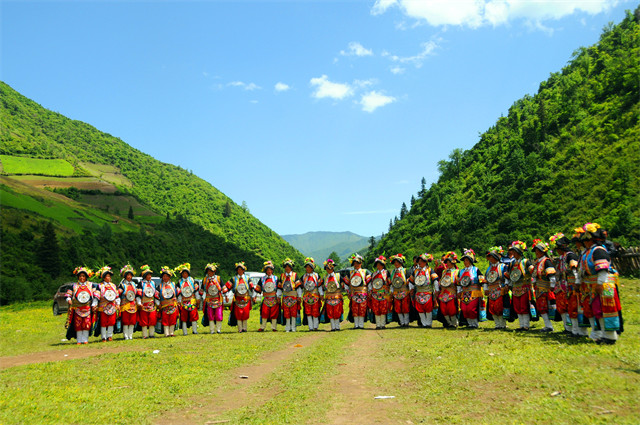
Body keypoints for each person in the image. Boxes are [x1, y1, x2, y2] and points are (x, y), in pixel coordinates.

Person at [579, 223, 623, 344]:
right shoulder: (589, 252)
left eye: (586, 240)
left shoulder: (598, 250)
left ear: (592, 240)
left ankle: (611, 336)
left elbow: (603, 269)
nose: (585, 242)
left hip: (604, 284)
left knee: (607, 310)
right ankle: (604, 334)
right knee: (598, 310)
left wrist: (599, 283)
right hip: (595, 285)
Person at [549, 233, 578, 334]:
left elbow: (574, 269)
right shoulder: (561, 258)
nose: (557, 250)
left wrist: (576, 281)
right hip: (561, 285)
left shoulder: (570, 256)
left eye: (557, 248)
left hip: (570, 285)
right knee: (562, 306)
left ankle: (575, 329)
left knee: (572, 306)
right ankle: (567, 328)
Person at [505, 241, 535, 331]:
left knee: (524, 306)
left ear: (519, 252)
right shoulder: (512, 263)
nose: (513, 253)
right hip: (515, 288)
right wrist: (507, 284)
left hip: (524, 287)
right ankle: (521, 325)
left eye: (515, 251)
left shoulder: (526, 262)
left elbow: (533, 271)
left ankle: (526, 325)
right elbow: (508, 275)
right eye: (512, 251)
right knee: (517, 306)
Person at [531, 239, 557, 332]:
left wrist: (552, 285)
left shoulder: (546, 261)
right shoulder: (537, 262)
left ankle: (550, 326)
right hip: (539, 288)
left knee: (546, 307)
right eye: (536, 251)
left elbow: (551, 275)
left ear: (543, 252)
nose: (537, 253)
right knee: (541, 307)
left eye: (538, 251)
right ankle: (548, 325)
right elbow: (535, 274)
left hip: (546, 288)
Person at [65, 267, 96, 344]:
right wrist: (68, 300)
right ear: (78, 277)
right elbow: (68, 294)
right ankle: (79, 340)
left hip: (87, 307)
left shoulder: (91, 285)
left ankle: (85, 340)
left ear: (86, 277)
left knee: (87, 324)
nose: (82, 278)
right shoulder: (74, 286)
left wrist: (94, 304)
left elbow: (96, 295)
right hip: (77, 308)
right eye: (80, 276)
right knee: (78, 324)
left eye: (83, 276)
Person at [457, 249, 485, 329]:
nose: (465, 262)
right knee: (464, 309)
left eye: (467, 260)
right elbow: (458, 282)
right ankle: (469, 323)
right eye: (464, 261)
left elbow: (481, 279)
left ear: (470, 261)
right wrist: (459, 291)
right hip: (464, 292)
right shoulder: (461, 271)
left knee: (471, 308)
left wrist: (483, 286)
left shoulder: (476, 270)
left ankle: (474, 324)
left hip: (474, 292)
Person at [409, 253, 439, 328]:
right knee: (420, 309)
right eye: (419, 261)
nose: (420, 263)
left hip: (428, 291)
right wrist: (411, 289)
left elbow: (435, 279)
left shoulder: (429, 270)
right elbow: (411, 281)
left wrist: (437, 289)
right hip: (418, 292)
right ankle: (424, 323)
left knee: (428, 308)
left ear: (426, 262)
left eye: (421, 261)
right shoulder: (416, 271)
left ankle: (428, 323)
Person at [224, 262, 255, 333]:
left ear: (244, 270)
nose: (240, 271)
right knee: (238, 314)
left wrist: (254, 295)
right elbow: (227, 287)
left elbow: (252, 287)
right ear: (237, 271)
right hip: (237, 299)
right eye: (238, 269)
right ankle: (240, 328)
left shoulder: (247, 278)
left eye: (241, 269)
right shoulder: (234, 279)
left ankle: (245, 328)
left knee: (245, 313)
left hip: (246, 299)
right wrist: (226, 295)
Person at [484, 247, 508, 330]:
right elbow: (486, 280)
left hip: (500, 289)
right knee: (492, 307)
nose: (490, 259)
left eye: (492, 257)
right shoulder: (488, 269)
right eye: (490, 257)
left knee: (499, 307)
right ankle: (497, 324)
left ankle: (502, 324)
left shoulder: (503, 267)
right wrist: (485, 289)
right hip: (491, 290)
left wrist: (506, 285)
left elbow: (507, 277)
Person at [94, 266, 120, 342]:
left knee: (111, 321)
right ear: (103, 277)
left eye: (109, 276)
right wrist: (94, 304)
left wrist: (118, 304)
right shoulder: (100, 286)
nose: (108, 278)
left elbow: (117, 296)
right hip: (103, 307)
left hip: (112, 306)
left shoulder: (113, 286)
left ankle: (109, 336)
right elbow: (96, 296)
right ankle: (103, 337)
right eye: (107, 276)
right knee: (103, 322)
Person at [346, 253, 371, 329]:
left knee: (362, 309)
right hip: (354, 293)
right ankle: (356, 325)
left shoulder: (365, 272)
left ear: (361, 263)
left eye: (358, 263)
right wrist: (348, 292)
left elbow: (369, 283)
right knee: (355, 309)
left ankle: (361, 324)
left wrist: (369, 291)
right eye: (355, 263)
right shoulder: (350, 273)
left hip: (363, 293)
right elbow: (347, 283)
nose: (356, 265)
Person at [255, 261, 279, 332]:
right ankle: (262, 327)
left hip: (274, 298)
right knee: (264, 312)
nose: (269, 271)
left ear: (272, 270)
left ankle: (274, 327)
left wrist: (279, 296)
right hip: (266, 299)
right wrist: (254, 296)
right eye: (268, 270)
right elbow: (258, 288)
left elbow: (279, 288)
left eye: (270, 270)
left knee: (274, 313)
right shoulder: (262, 279)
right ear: (265, 271)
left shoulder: (276, 278)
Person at [321, 258, 344, 331]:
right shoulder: (325, 277)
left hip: (337, 296)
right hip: (328, 297)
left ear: (333, 268)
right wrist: (322, 294)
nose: (328, 270)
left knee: (337, 311)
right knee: (330, 312)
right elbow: (322, 287)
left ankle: (337, 326)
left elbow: (344, 283)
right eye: (327, 268)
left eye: (330, 268)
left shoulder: (338, 276)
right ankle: (333, 327)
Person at [176, 263, 199, 336]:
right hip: (183, 301)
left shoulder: (192, 280)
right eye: (183, 273)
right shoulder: (179, 282)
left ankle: (194, 330)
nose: (185, 275)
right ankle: (185, 332)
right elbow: (179, 293)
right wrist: (179, 301)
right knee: (184, 317)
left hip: (192, 300)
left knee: (193, 316)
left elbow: (196, 290)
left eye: (186, 273)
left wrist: (198, 299)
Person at [437, 252, 459, 329]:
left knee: (451, 308)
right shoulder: (444, 271)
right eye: (447, 262)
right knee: (443, 309)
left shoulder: (457, 271)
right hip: (443, 292)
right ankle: (449, 323)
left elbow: (458, 282)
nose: (448, 264)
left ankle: (454, 323)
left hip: (451, 292)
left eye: (450, 262)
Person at [201, 263, 224, 334]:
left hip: (218, 299)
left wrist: (225, 295)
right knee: (210, 315)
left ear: (214, 271)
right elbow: (202, 290)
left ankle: (218, 329)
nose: (209, 272)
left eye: (211, 271)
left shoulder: (218, 279)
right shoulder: (205, 280)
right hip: (209, 300)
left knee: (218, 314)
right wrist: (201, 297)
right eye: (208, 271)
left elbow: (223, 288)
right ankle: (212, 330)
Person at [299, 258, 322, 331]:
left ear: (312, 268)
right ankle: (310, 327)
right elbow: (301, 287)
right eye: (306, 267)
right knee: (308, 312)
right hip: (306, 297)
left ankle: (315, 326)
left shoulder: (316, 276)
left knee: (315, 311)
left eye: (309, 267)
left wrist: (321, 294)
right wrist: (299, 296)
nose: (307, 269)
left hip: (315, 296)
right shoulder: (303, 277)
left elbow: (319, 286)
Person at [278, 258, 301, 332]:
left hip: (293, 296)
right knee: (286, 312)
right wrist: (278, 296)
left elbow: (298, 287)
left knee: (293, 312)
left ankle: (293, 327)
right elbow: (279, 288)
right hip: (285, 296)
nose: (287, 268)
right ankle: (287, 327)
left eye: (288, 267)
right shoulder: (282, 276)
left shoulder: (295, 275)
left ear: (291, 267)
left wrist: (299, 296)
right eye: (286, 267)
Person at [137, 265, 159, 339]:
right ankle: (145, 335)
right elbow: (138, 295)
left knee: (152, 319)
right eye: (148, 275)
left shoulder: (153, 283)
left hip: (151, 303)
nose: (149, 276)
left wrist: (157, 303)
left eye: (150, 275)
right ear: (145, 276)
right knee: (144, 320)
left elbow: (155, 294)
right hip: (144, 303)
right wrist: (139, 303)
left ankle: (151, 334)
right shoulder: (141, 284)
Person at [369, 255, 390, 329]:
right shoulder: (373, 274)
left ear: (383, 265)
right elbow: (371, 284)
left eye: (380, 264)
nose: (379, 266)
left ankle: (383, 324)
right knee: (376, 309)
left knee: (383, 309)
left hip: (384, 293)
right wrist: (370, 291)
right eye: (377, 265)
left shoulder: (386, 273)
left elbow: (389, 282)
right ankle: (378, 325)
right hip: (375, 294)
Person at [118, 264, 138, 340]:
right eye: (128, 275)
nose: (129, 277)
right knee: (125, 321)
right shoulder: (122, 285)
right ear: (125, 276)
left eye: (130, 275)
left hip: (133, 304)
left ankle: (130, 335)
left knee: (132, 320)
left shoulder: (134, 284)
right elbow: (118, 294)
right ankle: (125, 335)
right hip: (125, 304)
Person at [158, 266, 178, 337]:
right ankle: (166, 333)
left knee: (173, 319)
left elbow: (178, 294)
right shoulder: (160, 286)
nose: (165, 278)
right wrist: (158, 304)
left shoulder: (173, 285)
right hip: (164, 306)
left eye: (167, 276)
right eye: (164, 276)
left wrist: (177, 301)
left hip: (172, 305)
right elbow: (157, 296)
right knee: (165, 319)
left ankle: (171, 332)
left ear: (169, 277)